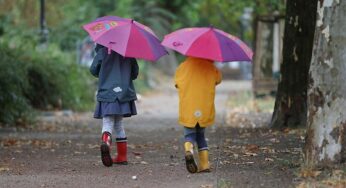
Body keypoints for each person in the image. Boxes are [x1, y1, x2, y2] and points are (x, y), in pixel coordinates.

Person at [90, 44, 139, 167]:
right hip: (123, 93)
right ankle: (122, 156)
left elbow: (93, 69)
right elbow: (135, 73)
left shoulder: (103, 52)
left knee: (108, 122)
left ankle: (106, 142)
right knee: (119, 124)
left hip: (107, 92)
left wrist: (104, 73)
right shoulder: (128, 52)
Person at [174, 56, 222, 173]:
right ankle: (205, 165)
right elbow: (218, 80)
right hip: (204, 107)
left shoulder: (182, 67)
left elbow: (176, 84)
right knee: (201, 135)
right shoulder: (211, 67)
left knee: (189, 134)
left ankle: (189, 149)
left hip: (188, 108)